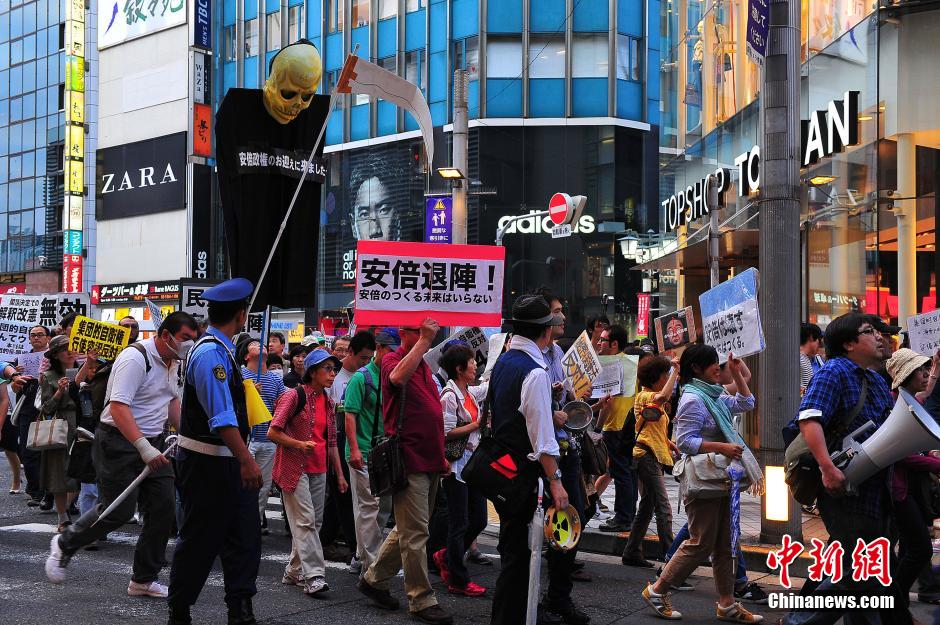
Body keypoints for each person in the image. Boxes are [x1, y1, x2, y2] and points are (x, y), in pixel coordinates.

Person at [45, 312, 199, 596]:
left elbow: (172, 400)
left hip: (156, 440)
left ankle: (143, 578)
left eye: (193, 339)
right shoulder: (134, 358)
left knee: (163, 508)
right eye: (185, 338)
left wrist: (187, 435)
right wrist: (143, 447)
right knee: (117, 510)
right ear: (166, 336)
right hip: (118, 441)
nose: (190, 344)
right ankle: (66, 542)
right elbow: (118, 407)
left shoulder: (176, 362)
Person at [781, 313, 899, 625]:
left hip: (872, 489)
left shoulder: (873, 378)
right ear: (848, 344)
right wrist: (827, 467)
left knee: (864, 574)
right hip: (845, 488)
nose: (879, 337)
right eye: (869, 332)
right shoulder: (833, 372)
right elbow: (809, 418)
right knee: (854, 574)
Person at [642, 344, 763, 623]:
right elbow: (685, 442)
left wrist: (737, 372)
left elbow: (747, 403)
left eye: (720, 366)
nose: (718, 370)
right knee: (700, 542)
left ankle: (727, 603)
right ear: (696, 368)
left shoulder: (714, 393)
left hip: (720, 478)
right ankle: (658, 590)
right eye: (714, 365)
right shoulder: (693, 399)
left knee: (725, 544)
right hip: (704, 480)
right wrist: (721, 446)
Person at [167, 278, 264, 625]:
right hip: (208, 463)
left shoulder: (223, 350)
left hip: (228, 462)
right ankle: (179, 610)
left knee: (245, 536)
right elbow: (221, 419)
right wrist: (247, 460)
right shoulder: (210, 353)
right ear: (241, 315)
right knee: (199, 540)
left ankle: (240, 608)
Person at [357, 318, 452, 625]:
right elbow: (397, 378)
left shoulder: (422, 365)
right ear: (404, 333)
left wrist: (441, 457)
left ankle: (374, 579)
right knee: (415, 534)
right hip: (409, 459)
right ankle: (421, 599)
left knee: (409, 529)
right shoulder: (393, 360)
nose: (430, 334)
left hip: (429, 459)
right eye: (421, 330)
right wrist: (424, 341)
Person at [488, 295, 571, 625]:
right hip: (524, 473)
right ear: (546, 332)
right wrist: (556, 481)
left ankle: (514, 615)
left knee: (513, 551)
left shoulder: (505, 362)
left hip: (503, 466)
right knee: (521, 555)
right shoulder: (535, 373)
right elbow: (543, 437)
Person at [268, 349, 348, 596]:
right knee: (305, 522)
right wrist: (299, 444)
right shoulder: (293, 396)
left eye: (334, 369)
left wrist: (340, 475)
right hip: (294, 468)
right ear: (312, 372)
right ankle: (313, 576)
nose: (333, 374)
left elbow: (332, 441)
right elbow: (273, 431)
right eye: (328, 369)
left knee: (313, 523)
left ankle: (293, 571)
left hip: (319, 469)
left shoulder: (329, 402)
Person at [884, 348, 940, 612]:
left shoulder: (906, 398)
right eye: (922, 370)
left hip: (905, 489)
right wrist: (935, 462)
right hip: (897, 490)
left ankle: (897, 606)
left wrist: (929, 454)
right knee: (919, 550)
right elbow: (901, 452)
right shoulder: (896, 401)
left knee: (909, 550)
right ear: (907, 375)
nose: (927, 374)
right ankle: (894, 604)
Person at [433, 343, 488, 598]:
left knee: (479, 520)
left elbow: (488, 385)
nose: (475, 364)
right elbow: (444, 434)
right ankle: (458, 579)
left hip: (473, 466)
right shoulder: (449, 395)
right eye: (471, 361)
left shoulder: (468, 391)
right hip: (455, 467)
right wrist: (474, 425)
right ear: (459, 368)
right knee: (460, 523)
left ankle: (446, 556)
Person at [344, 329, 398, 574]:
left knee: (383, 507)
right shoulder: (361, 377)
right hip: (364, 452)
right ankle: (371, 565)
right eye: (390, 350)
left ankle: (361, 554)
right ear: (381, 348)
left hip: (384, 453)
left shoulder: (392, 376)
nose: (393, 356)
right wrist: (354, 450)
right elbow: (350, 415)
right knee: (368, 508)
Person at [322, 331, 375, 569]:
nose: (366, 363)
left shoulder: (368, 376)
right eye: (362, 358)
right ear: (350, 352)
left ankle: (328, 538)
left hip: (363, 440)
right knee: (342, 495)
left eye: (369, 359)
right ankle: (355, 547)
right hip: (337, 440)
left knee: (344, 495)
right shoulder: (334, 375)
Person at [620, 355, 679, 567]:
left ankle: (632, 551)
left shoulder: (649, 397)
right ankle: (671, 560)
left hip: (651, 454)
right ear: (657, 378)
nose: (667, 379)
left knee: (648, 506)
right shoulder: (646, 396)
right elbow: (663, 396)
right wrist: (677, 372)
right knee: (664, 507)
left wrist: (671, 446)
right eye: (665, 375)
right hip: (646, 456)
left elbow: (654, 430)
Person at [238, 336, 287, 535]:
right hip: (245, 440)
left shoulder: (276, 378)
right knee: (240, 485)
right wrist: (245, 393)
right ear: (246, 355)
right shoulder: (239, 375)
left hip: (268, 440)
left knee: (263, 487)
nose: (261, 346)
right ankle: (237, 525)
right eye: (254, 345)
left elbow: (285, 403)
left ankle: (253, 526)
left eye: (263, 344)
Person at [596, 325, 639, 533]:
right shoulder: (631, 363)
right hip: (629, 424)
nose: (598, 343)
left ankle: (623, 517)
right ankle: (628, 514)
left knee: (620, 472)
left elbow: (608, 401)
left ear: (614, 344)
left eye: (603, 340)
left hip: (615, 425)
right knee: (626, 471)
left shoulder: (611, 365)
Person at [37, 335, 81, 532]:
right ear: (55, 355)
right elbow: (45, 408)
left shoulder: (85, 371)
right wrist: (59, 391)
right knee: (59, 474)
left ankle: (71, 508)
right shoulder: (48, 376)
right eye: (64, 349)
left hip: (82, 424)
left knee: (81, 472)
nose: (70, 351)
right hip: (61, 426)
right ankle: (62, 516)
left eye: (72, 347)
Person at [12, 324, 51, 505]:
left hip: (50, 406)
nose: (36, 338)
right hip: (28, 408)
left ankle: (49, 491)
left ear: (48, 338)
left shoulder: (55, 356)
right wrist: (16, 378)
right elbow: (13, 387)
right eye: (33, 335)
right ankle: (36, 490)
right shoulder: (21, 360)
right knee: (28, 450)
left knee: (49, 447)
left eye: (40, 335)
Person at [0, 378, 19, 493]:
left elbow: (4, 400)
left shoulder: (4, 377)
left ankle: (16, 480)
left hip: (7, 416)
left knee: (10, 450)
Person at [799, 323, 824, 393]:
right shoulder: (801, 360)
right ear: (811, 337)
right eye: (819, 340)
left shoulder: (803, 359)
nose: (819, 346)